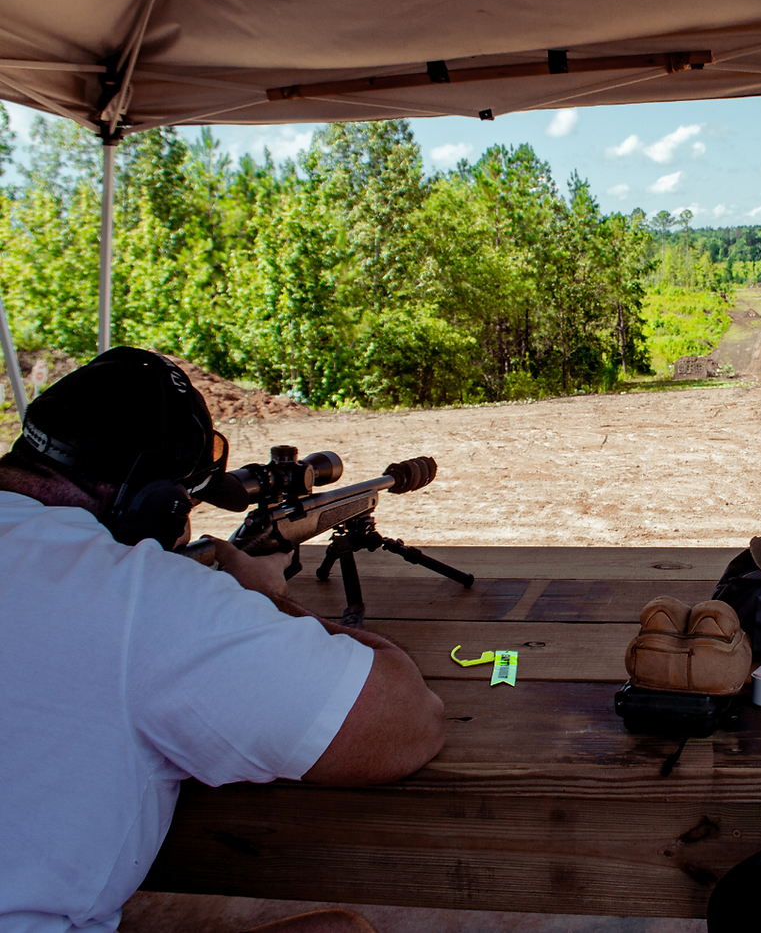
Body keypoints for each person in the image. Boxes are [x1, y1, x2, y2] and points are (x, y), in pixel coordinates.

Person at [0, 347, 446, 933]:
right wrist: (263, 597)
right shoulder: (139, 594)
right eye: (184, 501)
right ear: (151, 506)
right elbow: (406, 723)